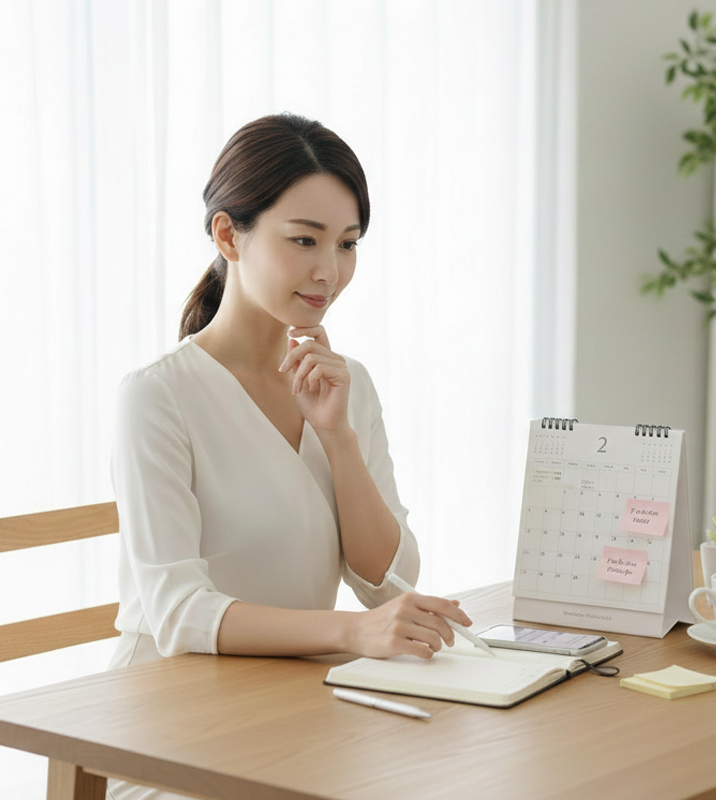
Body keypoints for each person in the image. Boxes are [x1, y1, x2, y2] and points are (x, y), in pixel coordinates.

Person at [107, 114, 469, 800]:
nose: (329, 270)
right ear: (228, 235)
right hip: (165, 732)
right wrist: (355, 633)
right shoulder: (157, 396)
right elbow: (178, 613)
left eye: (348, 244)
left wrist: (337, 437)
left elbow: (387, 585)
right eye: (304, 240)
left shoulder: (345, 384)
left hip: (294, 710)